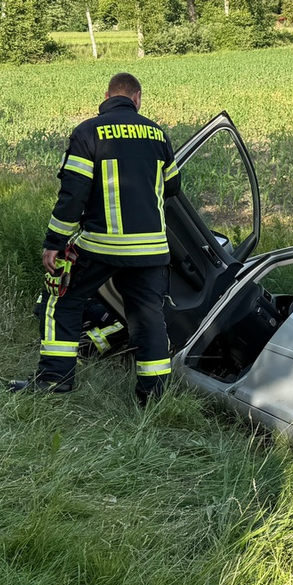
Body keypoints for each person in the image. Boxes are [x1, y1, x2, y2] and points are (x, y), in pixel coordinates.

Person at [9, 73, 181, 405]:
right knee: (149, 317)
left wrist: (55, 242)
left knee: (63, 298)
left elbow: (73, 194)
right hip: (152, 249)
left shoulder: (89, 132)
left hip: (102, 244)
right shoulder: (158, 134)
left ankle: (55, 380)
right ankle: (154, 398)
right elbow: (172, 186)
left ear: (106, 97)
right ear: (137, 98)